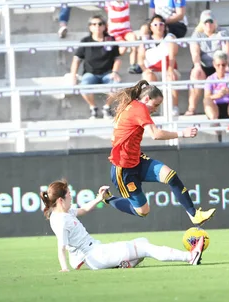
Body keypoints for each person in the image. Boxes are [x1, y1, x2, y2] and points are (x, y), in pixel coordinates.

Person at [105, 79, 217, 225]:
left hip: (136, 160)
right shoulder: (139, 108)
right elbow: (156, 134)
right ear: (146, 99)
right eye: (156, 104)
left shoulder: (133, 107)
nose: (156, 109)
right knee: (142, 211)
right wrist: (182, 133)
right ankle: (108, 198)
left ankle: (194, 214)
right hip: (123, 169)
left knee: (171, 176)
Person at [40, 180, 206, 271]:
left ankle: (124, 264)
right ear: (60, 200)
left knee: (143, 241)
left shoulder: (63, 212)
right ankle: (190, 257)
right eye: (69, 195)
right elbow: (61, 247)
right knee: (145, 247)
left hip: (96, 252)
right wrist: (64, 269)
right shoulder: (61, 220)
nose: (72, 196)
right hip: (96, 255)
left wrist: (100, 198)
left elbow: (83, 209)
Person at [70, 15, 121, 120]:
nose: (97, 26)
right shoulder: (85, 41)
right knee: (83, 86)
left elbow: (117, 59)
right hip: (90, 73)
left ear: (104, 26)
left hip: (107, 73)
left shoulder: (111, 40)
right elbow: (77, 59)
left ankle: (106, 108)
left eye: (100, 24)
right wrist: (73, 75)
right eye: (94, 24)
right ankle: (93, 107)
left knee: (116, 85)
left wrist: (115, 72)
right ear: (90, 27)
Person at [186, 10, 229, 116]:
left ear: (215, 22)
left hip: (220, 63)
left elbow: (227, 51)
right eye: (205, 22)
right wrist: (197, 66)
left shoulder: (222, 32)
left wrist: (227, 65)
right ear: (202, 24)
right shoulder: (197, 34)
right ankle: (191, 108)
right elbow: (195, 53)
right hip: (204, 65)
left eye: (210, 21)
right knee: (195, 75)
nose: (208, 24)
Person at [138, 15, 180, 116]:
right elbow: (140, 59)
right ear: (151, 27)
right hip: (153, 71)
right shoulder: (145, 40)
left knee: (171, 77)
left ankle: (173, 107)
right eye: (155, 24)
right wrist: (145, 69)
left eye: (161, 24)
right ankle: (149, 109)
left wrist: (170, 69)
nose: (158, 26)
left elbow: (172, 55)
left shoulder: (169, 38)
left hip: (168, 69)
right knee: (148, 77)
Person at [203, 51, 229, 123]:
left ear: (226, 64)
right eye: (218, 65)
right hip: (216, 107)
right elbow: (207, 96)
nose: (221, 67)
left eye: (223, 65)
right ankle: (214, 121)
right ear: (214, 64)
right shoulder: (210, 79)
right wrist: (218, 95)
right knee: (206, 100)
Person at [104, 1, 139, 74]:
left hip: (126, 30)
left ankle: (133, 65)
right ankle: (109, 63)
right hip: (115, 32)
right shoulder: (109, 3)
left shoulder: (126, 2)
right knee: (122, 49)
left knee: (134, 41)